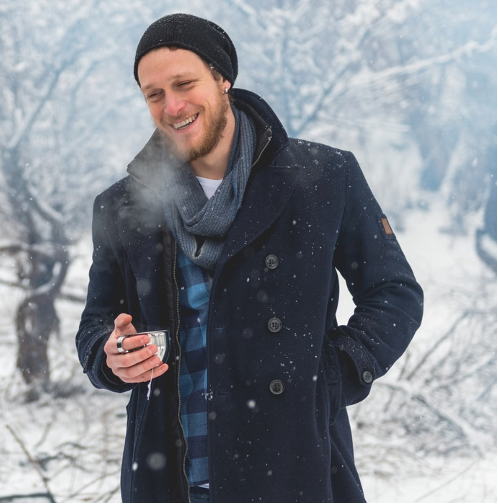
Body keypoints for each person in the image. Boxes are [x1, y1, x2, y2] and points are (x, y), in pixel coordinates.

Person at [75, 13, 424, 503]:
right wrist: (108, 357)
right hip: (171, 477)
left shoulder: (322, 177)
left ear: (222, 79)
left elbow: (395, 293)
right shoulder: (123, 205)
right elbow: (96, 324)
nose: (172, 106)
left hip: (292, 468)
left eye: (184, 84)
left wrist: (331, 375)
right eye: (154, 94)